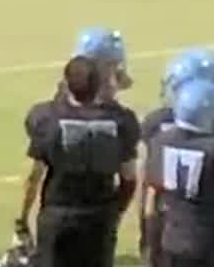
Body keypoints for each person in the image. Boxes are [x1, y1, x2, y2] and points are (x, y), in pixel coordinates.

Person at [16, 56, 140, 267]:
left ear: (66, 84)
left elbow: (33, 178)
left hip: (59, 215)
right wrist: (115, 212)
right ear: (98, 85)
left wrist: (22, 217)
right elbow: (129, 179)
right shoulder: (122, 121)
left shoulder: (47, 118)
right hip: (100, 216)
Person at [138, 50, 214, 262]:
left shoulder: (157, 126)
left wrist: (147, 236)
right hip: (206, 227)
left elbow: (148, 188)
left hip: (168, 221)